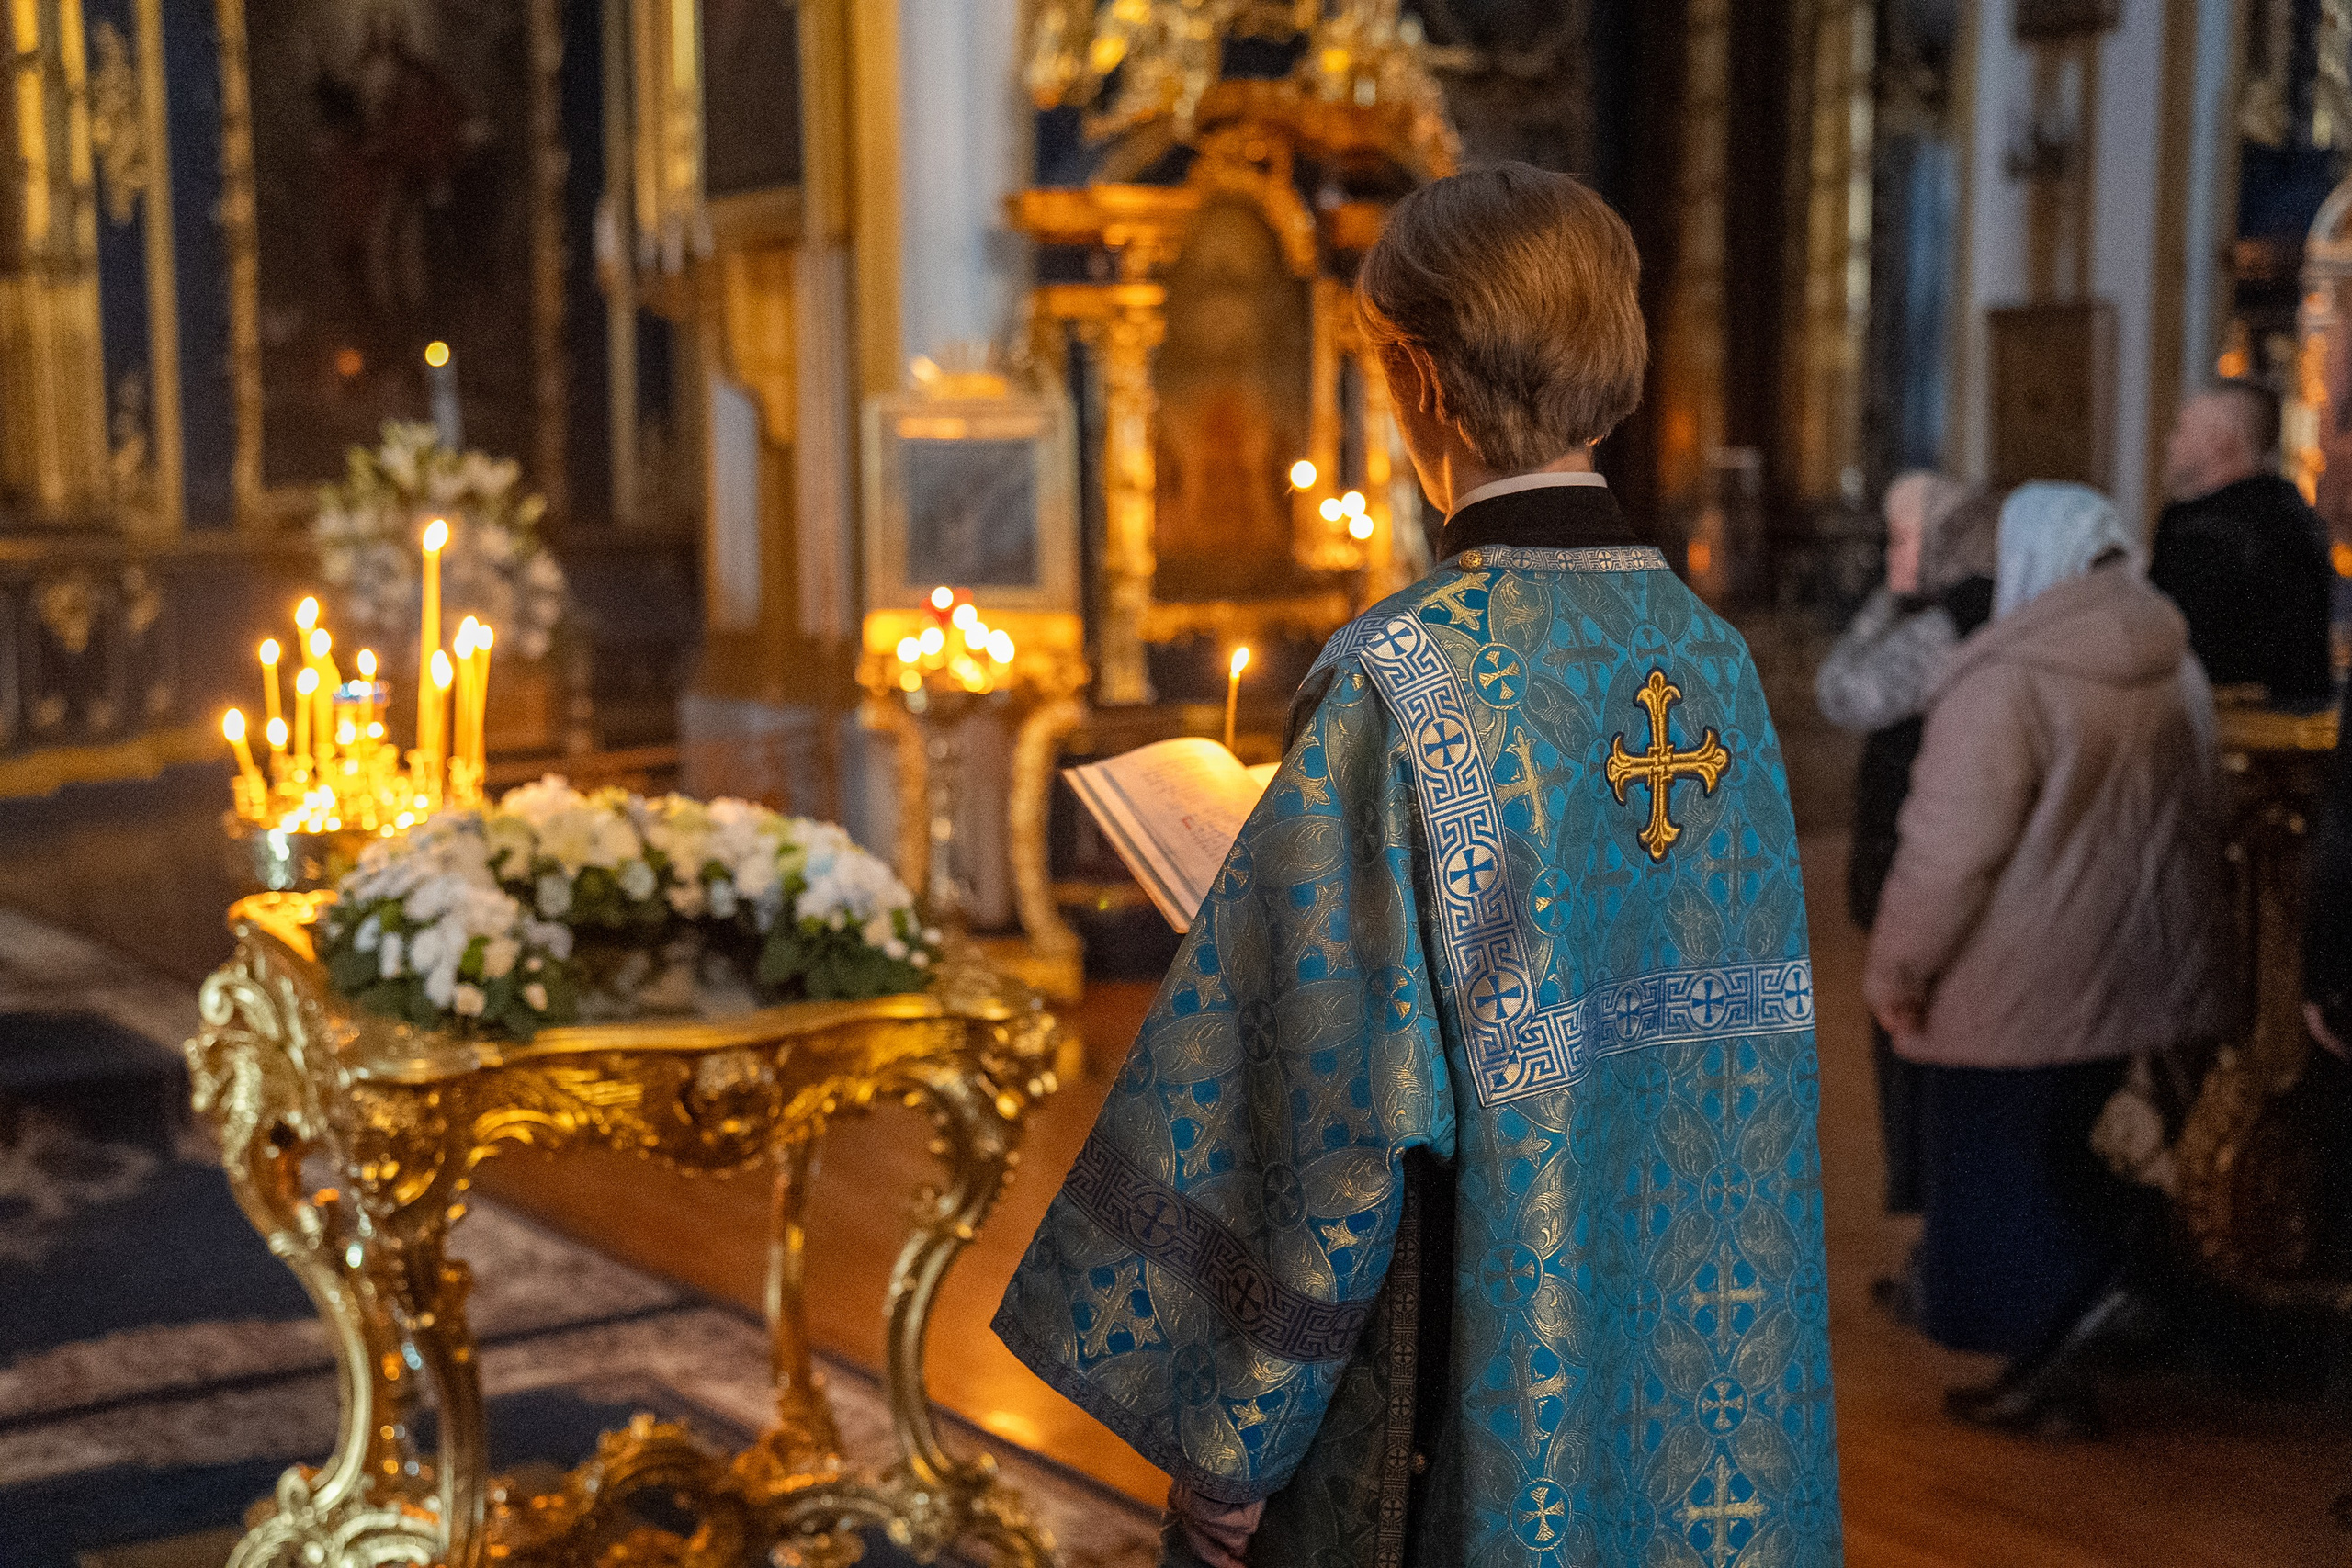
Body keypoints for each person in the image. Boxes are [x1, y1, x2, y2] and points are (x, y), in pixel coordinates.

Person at [994, 164, 1843, 1566]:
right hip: (1705, 1371)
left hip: (1467, 1374)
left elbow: (1329, 1096)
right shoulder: (1718, 665)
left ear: (1418, 378)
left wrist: (1235, 1432)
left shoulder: (1412, 684)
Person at [1865, 482, 2231, 1438]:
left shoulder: (2008, 678)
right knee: (2073, 1166)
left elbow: (1946, 858)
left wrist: (1896, 974)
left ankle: (2075, 1324)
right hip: (2140, 972)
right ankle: (2059, 1364)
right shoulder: (2171, 659)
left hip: (2018, 990)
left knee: (2001, 1187)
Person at [1815, 471, 1997, 1223]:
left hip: (1919, 860)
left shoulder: (1943, 623)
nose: (1892, 552)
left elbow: (1842, 692)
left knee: (1913, 1033)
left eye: (1904, 538)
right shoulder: (1992, 607)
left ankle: (1931, 1226)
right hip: (1941, 854)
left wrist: (1887, 605)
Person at [2148, 381, 2335, 704]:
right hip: (2298, 718)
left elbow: (2166, 641)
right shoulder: (2295, 516)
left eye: (2182, 430)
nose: (2170, 443)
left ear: (2222, 443)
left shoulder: (2196, 529)